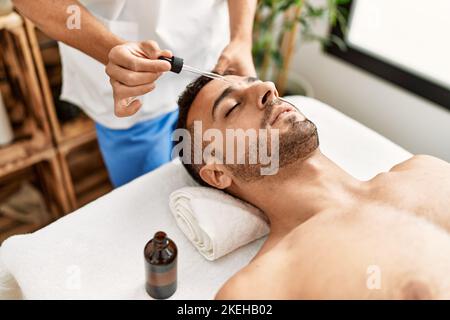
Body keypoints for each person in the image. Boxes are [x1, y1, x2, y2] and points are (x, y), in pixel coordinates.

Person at [175, 74, 450, 299]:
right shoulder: (261, 287)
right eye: (232, 107)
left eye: (256, 81)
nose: (268, 87)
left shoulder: (424, 170)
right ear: (218, 173)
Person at [13, 0, 256, 187]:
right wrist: (109, 49)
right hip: (128, 87)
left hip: (211, 53)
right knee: (151, 205)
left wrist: (241, 39)